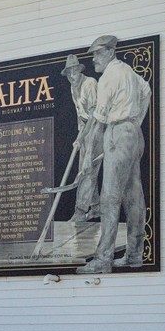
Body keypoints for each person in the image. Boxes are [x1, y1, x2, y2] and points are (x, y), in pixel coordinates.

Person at [77, 35, 151, 274]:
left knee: (110, 197)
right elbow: (146, 91)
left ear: (109, 52)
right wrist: (135, 121)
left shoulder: (108, 77)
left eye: (98, 54)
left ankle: (103, 259)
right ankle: (134, 255)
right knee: (133, 195)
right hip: (133, 133)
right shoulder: (129, 72)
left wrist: (88, 159)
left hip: (117, 132)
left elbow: (98, 122)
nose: (94, 59)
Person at [59, 52, 100, 223]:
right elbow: (80, 114)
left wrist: (82, 136)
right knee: (87, 168)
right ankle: (96, 208)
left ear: (79, 70)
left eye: (75, 72)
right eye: (69, 73)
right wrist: (79, 134)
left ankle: (80, 211)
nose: (72, 76)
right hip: (85, 127)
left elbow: (93, 114)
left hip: (99, 126)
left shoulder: (89, 83)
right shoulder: (72, 87)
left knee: (87, 169)